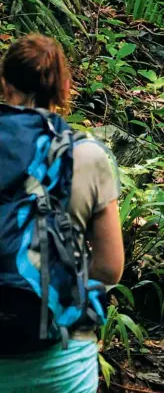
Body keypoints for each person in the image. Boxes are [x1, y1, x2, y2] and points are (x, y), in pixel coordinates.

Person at [0, 33, 124, 393]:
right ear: (63, 88)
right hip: (61, 362)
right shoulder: (87, 155)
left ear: (5, 83)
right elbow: (109, 267)